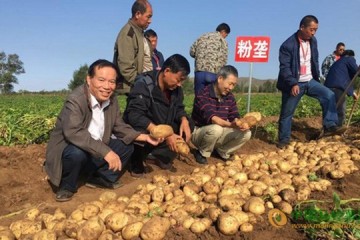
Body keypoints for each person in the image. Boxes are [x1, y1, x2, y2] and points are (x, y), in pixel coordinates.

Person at [44, 59, 160, 202]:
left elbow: (119, 126)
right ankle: (67, 186)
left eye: (112, 82)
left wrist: (144, 137)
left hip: (96, 147)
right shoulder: (75, 100)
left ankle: (99, 178)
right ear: (89, 79)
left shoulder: (111, 100)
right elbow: (74, 133)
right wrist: (106, 152)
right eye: (101, 80)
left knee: (127, 146)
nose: (107, 86)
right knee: (76, 153)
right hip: (73, 149)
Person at [276, 15, 344, 149]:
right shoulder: (287, 45)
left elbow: (315, 61)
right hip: (295, 84)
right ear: (302, 27)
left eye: (315, 30)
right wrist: (292, 83)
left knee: (329, 95)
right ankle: (283, 141)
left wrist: (316, 78)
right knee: (287, 113)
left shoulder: (313, 41)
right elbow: (284, 67)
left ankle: (330, 125)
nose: (313, 33)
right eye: (311, 29)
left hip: (309, 80)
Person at [123, 54, 193, 177]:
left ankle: (158, 156)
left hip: (162, 126)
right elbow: (134, 115)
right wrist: (165, 134)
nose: (179, 84)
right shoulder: (144, 85)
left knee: (188, 125)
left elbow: (179, 108)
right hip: (148, 128)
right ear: (167, 71)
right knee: (138, 128)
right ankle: (136, 162)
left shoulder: (176, 90)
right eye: (179, 79)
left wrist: (183, 119)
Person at [191, 65, 251, 164]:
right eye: (230, 84)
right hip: (200, 133)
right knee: (216, 128)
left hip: (219, 131)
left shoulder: (230, 97)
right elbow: (214, 119)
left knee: (247, 133)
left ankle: (222, 152)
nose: (231, 88)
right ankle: (202, 152)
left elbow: (234, 114)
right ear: (220, 79)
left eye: (234, 85)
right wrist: (231, 125)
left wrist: (238, 122)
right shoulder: (203, 93)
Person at [113, 0, 153, 94]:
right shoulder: (128, 34)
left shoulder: (140, 33)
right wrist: (142, 83)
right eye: (148, 16)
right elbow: (126, 67)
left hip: (141, 87)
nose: (150, 21)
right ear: (138, 14)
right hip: (130, 90)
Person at [190, 23, 230, 95]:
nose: (225, 37)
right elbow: (224, 60)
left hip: (199, 73)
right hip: (213, 74)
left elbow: (192, 52)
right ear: (223, 31)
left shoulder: (202, 36)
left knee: (198, 99)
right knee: (211, 101)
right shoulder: (223, 42)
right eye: (226, 35)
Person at [325, 50, 359, 126]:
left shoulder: (338, 62)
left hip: (327, 87)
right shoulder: (349, 59)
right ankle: (337, 129)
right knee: (340, 111)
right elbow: (357, 71)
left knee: (330, 110)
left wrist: (353, 93)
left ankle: (328, 128)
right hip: (338, 88)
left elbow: (343, 78)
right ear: (351, 56)